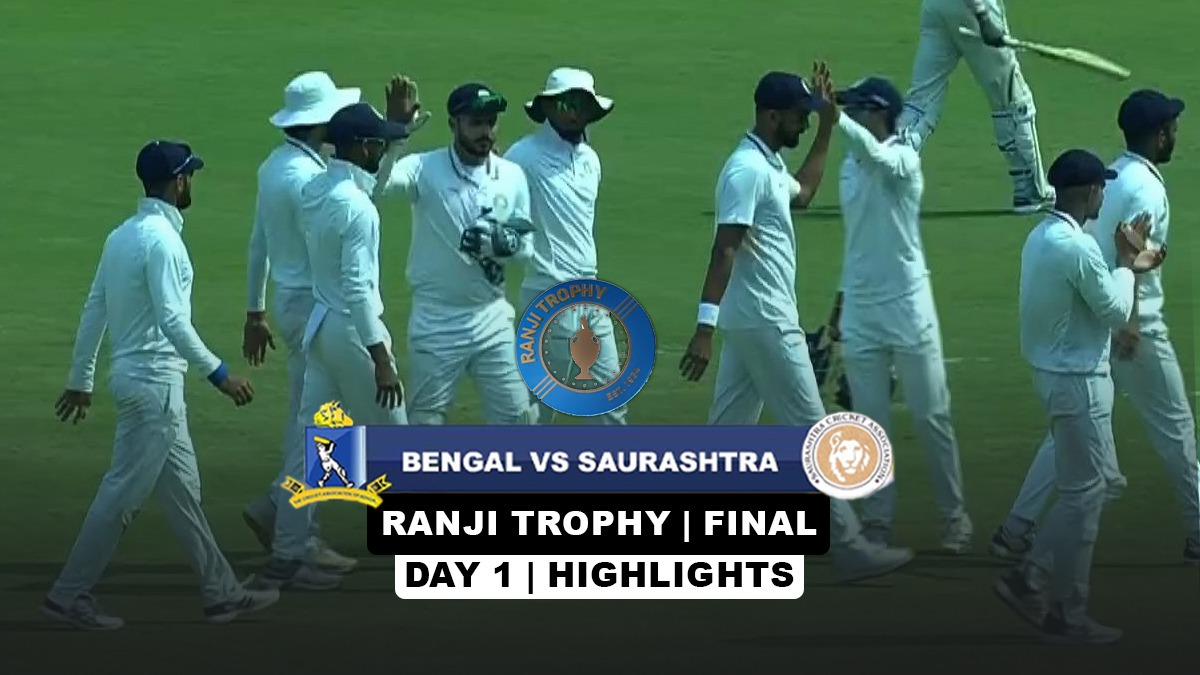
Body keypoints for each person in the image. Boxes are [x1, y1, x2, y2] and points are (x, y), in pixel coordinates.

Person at [678, 65, 914, 583]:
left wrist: (828, 127)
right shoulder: (745, 170)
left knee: (726, 436)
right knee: (813, 432)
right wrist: (703, 328)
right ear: (770, 116)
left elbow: (803, 194)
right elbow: (725, 248)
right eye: (799, 116)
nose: (804, 124)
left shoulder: (765, 163)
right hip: (765, 321)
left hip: (753, 321)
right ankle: (850, 546)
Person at [45, 141, 279, 630]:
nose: (192, 182)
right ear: (178, 181)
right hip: (155, 389)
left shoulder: (121, 236)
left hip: (139, 382)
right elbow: (174, 321)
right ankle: (68, 595)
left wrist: (81, 379)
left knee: (183, 494)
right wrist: (221, 375)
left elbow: (95, 308)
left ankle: (222, 594)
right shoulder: (164, 243)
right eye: (189, 175)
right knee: (121, 496)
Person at [991, 90, 1198, 566]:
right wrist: (1131, 321)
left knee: (1070, 434)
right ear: (1159, 134)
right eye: (1172, 128)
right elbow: (1129, 253)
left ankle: (1016, 529)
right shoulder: (1146, 189)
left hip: (1097, 321)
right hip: (1135, 327)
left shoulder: (1115, 175)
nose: (1176, 134)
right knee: (1175, 430)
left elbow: (1118, 248)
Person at [994, 149, 1164, 645]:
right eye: (1101, 188)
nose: (1104, 195)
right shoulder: (1078, 247)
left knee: (1103, 484)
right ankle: (1063, 610)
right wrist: (1129, 263)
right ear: (1089, 191)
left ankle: (1033, 576)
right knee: (1085, 494)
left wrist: (1127, 263)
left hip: (1057, 376)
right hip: (1078, 383)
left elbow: (1087, 290)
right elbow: (1113, 309)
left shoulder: (1043, 237)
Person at [255, 102, 412, 588]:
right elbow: (359, 290)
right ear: (362, 147)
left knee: (314, 447)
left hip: (319, 330)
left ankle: (286, 556)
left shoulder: (317, 190)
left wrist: (395, 141)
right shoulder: (357, 209)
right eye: (379, 143)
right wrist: (380, 357)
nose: (383, 148)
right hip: (351, 332)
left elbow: (356, 188)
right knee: (397, 441)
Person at [829, 76, 973, 553]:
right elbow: (857, 242)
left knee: (932, 416)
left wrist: (835, 119)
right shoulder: (849, 168)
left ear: (878, 112)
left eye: (856, 108)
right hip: (861, 311)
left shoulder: (904, 160)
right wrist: (839, 304)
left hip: (909, 308)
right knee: (869, 423)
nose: (849, 115)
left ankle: (955, 518)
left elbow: (877, 156)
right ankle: (877, 521)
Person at [240, 71, 362, 585]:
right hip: (316, 307)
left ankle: (283, 513)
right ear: (319, 123)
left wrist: (254, 311)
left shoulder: (275, 167)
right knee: (325, 425)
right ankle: (294, 542)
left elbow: (258, 242)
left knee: (317, 420)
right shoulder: (306, 180)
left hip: (294, 306)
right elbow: (350, 220)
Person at [374, 83, 537, 426]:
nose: (486, 132)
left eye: (491, 122)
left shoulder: (512, 176)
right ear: (453, 124)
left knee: (518, 420)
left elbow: (526, 249)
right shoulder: (424, 168)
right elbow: (377, 187)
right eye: (476, 123)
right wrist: (396, 134)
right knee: (425, 423)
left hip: (492, 316)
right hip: (437, 320)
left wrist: (503, 244)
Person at [505, 67, 624, 425]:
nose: (575, 112)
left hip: (591, 294)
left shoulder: (590, 160)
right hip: (548, 294)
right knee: (540, 409)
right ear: (548, 107)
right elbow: (495, 202)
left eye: (582, 104)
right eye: (566, 103)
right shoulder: (522, 156)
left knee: (609, 403)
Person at [898, 0, 1053, 213]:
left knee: (921, 102)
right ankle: (1030, 189)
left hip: (936, 7)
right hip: (972, 9)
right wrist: (983, 14)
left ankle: (889, 170)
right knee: (1012, 100)